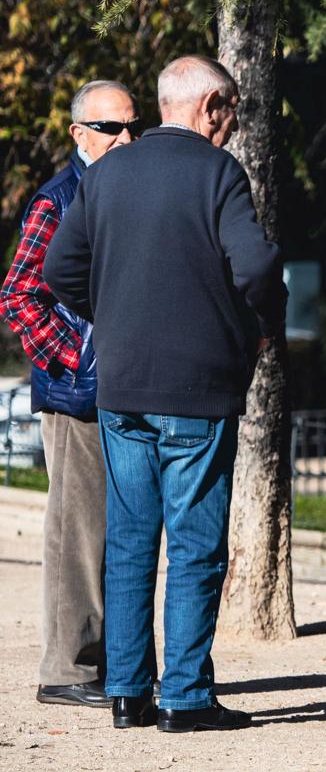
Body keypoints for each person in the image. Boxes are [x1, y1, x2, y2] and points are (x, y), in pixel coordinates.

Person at [44, 55, 286, 733]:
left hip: (121, 387)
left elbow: (60, 267)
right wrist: (258, 326)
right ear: (210, 105)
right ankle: (184, 696)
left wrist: (113, 312)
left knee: (127, 540)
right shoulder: (219, 173)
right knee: (195, 544)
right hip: (197, 388)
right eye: (232, 108)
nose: (235, 123)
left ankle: (126, 693)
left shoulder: (109, 172)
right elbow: (259, 263)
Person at [1, 80, 140, 709]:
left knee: (113, 533)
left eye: (132, 125)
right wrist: (81, 361)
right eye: (111, 128)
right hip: (75, 395)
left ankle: (114, 667)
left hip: (121, 387)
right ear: (80, 134)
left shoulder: (125, 187)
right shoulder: (59, 200)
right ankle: (68, 672)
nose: (126, 138)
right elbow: (18, 295)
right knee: (78, 534)